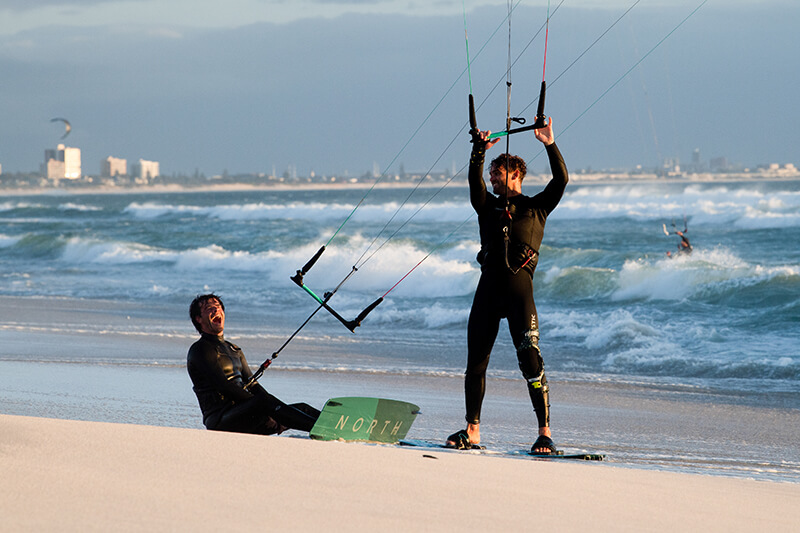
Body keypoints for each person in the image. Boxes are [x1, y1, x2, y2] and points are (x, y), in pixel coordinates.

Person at [446, 117, 568, 455]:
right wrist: (479, 151)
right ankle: (472, 431)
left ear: (514, 173)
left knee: (530, 361)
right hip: (487, 292)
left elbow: (562, 180)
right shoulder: (486, 207)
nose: (490, 179)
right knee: (476, 364)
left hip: (519, 295)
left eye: (496, 174)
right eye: (490, 175)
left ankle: (544, 432)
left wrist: (549, 143)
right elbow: (474, 183)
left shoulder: (536, 208)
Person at [187, 293, 320, 435]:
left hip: (246, 412)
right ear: (198, 319)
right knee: (264, 401)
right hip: (220, 419)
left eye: (218, 307)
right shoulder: (200, 350)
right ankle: (320, 429)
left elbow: (253, 385)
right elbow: (224, 386)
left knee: (303, 408)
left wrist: (274, 412)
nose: (216, 310)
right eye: (209, 308)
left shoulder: (234, 349)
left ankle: (337, 425)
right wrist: (265, 409)